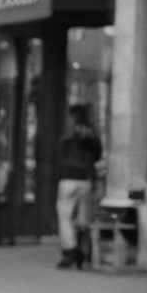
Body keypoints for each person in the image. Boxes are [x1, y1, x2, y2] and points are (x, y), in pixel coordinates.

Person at [56, 104, 103, 269]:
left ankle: (70, 250)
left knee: (65, 216)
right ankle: (84, 251)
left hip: (69, 177)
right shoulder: (92, 131)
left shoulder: (70, 129)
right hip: (86, 178)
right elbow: (98, 154)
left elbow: (62, 149)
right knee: (83, 217)